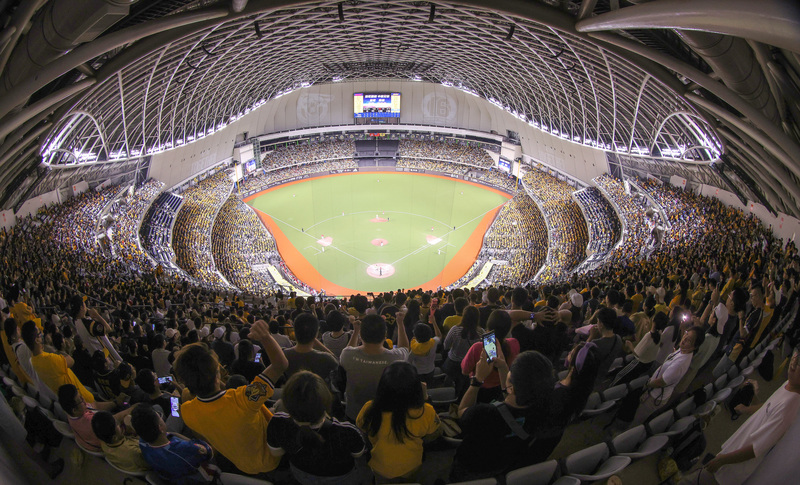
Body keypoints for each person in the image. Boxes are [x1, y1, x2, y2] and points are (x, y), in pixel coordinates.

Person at [175, 320, 287, 475]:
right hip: (271, 463)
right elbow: (280, 365)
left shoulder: (186, 410)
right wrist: (265, 337)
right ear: (217, 373)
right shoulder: (243, 399)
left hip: (237, 464)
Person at [679, 348, 800, 485]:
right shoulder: (788, 386)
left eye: (799, 362)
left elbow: (756, 448)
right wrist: (749, 405)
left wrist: (721, 460)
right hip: (729, 456)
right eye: (797, 356)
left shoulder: (790, 405)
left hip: (730, 469)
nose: (794, 362)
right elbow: (768, 408)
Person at [452, 350, 555, 481]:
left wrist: (477, 380)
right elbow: (512, 400)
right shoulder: (543, 409)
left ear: (512, 388)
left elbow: (462, 412)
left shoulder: (484, 413)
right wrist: (502, 367)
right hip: (504, 463)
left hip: (472, 466)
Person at [267, 371, 367, 484]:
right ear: (327, 401)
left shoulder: (277, 421)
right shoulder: (348, 431)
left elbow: (277, 453)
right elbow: (358, 454)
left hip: (301, 475)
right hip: (340, 479)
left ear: (285, 401)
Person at [357, 362, 441, 483]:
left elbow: (362, 431)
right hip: (412, 464)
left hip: (380, 465)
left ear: (382, 387)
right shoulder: (426, 411)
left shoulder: (369, 408)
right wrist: (426, 396)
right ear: (416, 389)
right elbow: (434, 433)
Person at [629, 326, 705, 427]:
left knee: (638, 419)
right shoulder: (684, 350)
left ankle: (625, 438)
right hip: (655, 389)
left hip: (655, 395)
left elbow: (662, 382)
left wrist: (648, 384)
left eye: (689, 340)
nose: (685, 338)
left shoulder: (680, 364)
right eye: (686, 333)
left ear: (694, 347)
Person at [339, 313, 410, 421]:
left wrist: (356, 331)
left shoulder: (347, 355)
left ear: (361, 335)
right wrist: (400, 323)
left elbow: (348, 350)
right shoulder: (395, 358)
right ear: (385, 335)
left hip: (354, 415)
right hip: (384, 418)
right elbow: (405, 347)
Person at [131, 404, 213, 484]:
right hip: (201, 476)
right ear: (160, 427)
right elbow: (209, 451)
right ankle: (176, 401)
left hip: (171, 471)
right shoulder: (185, 449)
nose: (161, 418)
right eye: (160, 416)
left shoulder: (142, 442)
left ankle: (175, 403)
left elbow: (169, 434)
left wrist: (174, 434)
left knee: (175, 411)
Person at [23, 321, 95, 404]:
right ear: (37, 340)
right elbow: (71, 361)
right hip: (82, 400)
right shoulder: (49, 359)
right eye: (39, 332)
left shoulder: (34, 360)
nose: (42, 333)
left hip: (71, 399)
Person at [461, 310, 520, 403]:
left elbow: (465, 370)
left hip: (479, 390)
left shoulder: (477, 348)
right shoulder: (514, 343)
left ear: (488, 326)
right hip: (503, 390)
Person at [58, 384, 134, 452]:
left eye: (81, 396)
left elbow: (95, 406)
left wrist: (116, 402)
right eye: (80, 399)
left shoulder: (73, 412)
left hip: (108, 425)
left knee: (125, 406)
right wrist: (133, 408)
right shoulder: (89, 422)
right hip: (109, 443)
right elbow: (113, 422)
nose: (83, 400)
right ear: (74, 410)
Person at [283, 313, 338, 382]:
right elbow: (337, 362)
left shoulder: (283, 355)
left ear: (295, 330)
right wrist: (316, 340)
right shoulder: (326, 358)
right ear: (316, 333)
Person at [442, 305, 483, 396]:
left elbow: (445, 346)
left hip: (453, 363)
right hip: (471, 365)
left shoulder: (455, 329)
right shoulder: (481, 332)